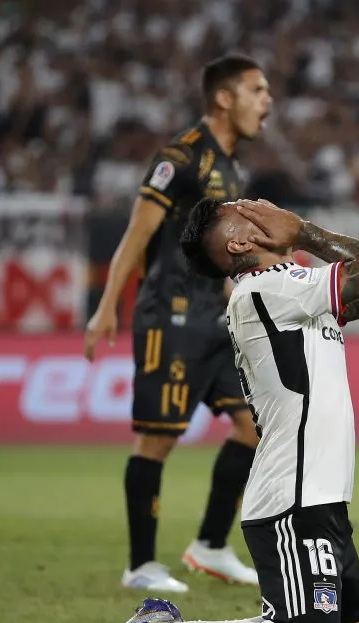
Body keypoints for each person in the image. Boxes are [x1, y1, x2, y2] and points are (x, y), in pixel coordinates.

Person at [82, 197, 359, 623]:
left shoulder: (294, 288)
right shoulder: (267, 290)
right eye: (244, 209)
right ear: (240, 241)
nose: (258, 205)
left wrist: (301, 239)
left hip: (324, 495)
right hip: (291, 499)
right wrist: (302, 231)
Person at [82, 54, 272, 592]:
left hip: (217, 319)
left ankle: (210, 546)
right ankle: (141, 564)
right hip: (171, 316)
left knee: (252, 428)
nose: (268, 102)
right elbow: (137, 235)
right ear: (224, 98)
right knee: (158, 440)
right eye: (257, 91)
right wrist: (105, 308)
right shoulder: (180, 158)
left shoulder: (234, 167)